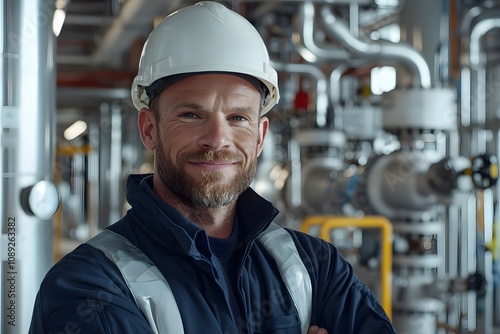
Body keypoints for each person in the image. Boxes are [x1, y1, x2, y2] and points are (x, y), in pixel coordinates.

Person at [29, 2, 397, 333]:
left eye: (238, 117)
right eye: (191, 114)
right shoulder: (89, 286)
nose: (217, 139)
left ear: (259, 135)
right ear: (149, 129)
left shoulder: (316, 267)